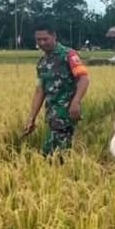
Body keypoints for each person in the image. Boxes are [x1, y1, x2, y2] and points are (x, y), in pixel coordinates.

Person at [23, 24, 90, 156]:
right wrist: (32, 118)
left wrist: (76, 101)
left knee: (53, 154)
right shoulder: (42, 63)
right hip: (52, 114)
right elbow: (40, 91)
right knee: (56, 154)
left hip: (66, 113)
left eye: (45, 39)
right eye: (38, 40)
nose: (42, 42)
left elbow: (84, 78)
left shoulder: (68, 55)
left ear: (54, 36)